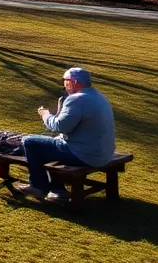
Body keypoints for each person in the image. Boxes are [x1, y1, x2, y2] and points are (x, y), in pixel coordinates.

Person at [16, 67, 117, 203]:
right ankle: (58, 189)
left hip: (85, 154)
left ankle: (38, 187)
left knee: (29, 142)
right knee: (50, 143)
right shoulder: (99, 97)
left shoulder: (76, 99)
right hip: (104, 153)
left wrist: (45, 115)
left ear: (74, 83)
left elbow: (60, 126)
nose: (65, 85)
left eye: (66, 81)